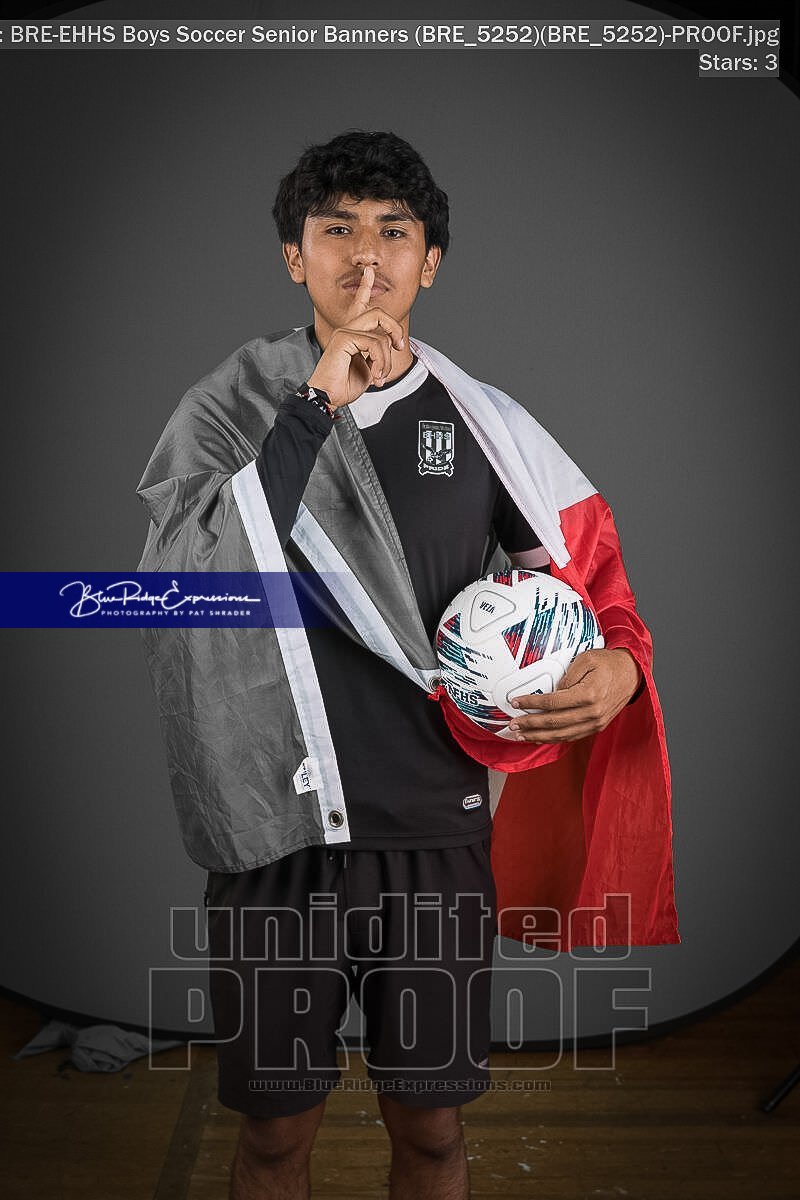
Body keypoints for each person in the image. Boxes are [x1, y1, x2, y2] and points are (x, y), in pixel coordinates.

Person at [137, 130, 676, 1200]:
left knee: (431, 1135)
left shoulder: (484, 424)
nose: (365, 255)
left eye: (393, 231)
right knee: (273, 1141)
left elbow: (583, 577)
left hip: (433, 831)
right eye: (335, 228)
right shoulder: (229, 407)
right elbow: (186, 582)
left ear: (429, 261)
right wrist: (314, 408)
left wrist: (618, 663)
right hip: (278, 836)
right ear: (295, 256)